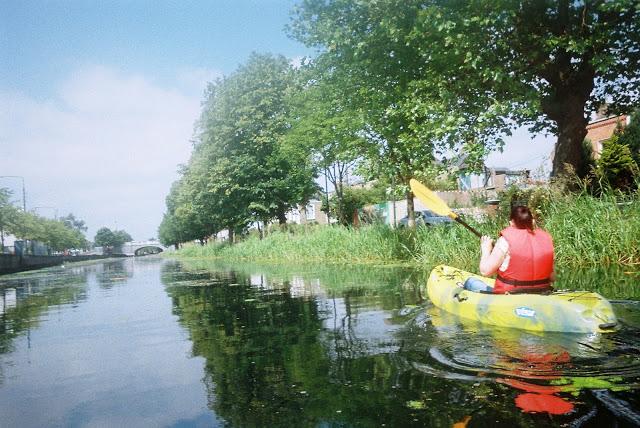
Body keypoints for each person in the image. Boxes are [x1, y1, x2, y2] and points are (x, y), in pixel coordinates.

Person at [464, 205, 555, 294]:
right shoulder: (546, 238)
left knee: (470, 282)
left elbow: (485, 271)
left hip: (510, 294)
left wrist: (486, 249)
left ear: (511, 223)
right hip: (542, 292)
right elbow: (552, 278)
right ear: (533, 222)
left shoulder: (505, 241)